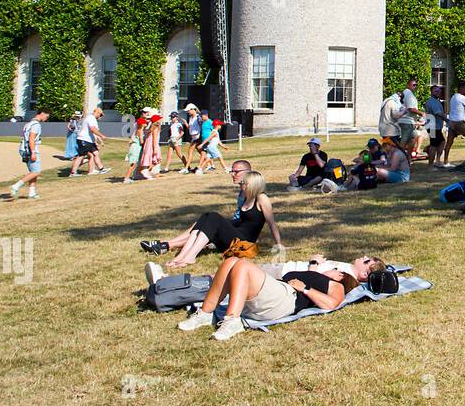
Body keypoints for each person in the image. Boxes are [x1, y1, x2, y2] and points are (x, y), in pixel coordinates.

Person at [178, 253, 377, 340]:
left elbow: (332, 303)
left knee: (242, 265)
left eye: (334, 269)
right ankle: (205, 313)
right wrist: (313, 269)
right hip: (275, 294)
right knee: (231, 261)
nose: (332, 269)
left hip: (284, 300)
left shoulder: (336, 284)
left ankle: (232, 320)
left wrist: (305, 289)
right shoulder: (317, 275)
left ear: (341, 275)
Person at [144, 167, 285, 268]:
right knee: (206, 216)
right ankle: (182, 256)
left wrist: (279, 244)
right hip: (234, 237)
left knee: (213, 216)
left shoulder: (262, 198)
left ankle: (190, 257)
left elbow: (272, 224)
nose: (241, 185)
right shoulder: (245, 198)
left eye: (244, 183)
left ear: (253, 184)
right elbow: (239, 222)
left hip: (244, 242)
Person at [9, 108, 50, 199]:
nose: (46, 119)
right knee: (36, 172)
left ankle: (32, 193)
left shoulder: (29, 124)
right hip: (30, 149)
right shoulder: (36, 125)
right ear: (42, 114)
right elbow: (31, 139)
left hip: (24, 148)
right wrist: (33, 152)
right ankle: (16, 186)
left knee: (33, 171)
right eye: (46, 117)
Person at [68, 106, 110, 176]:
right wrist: (101, 136)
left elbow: (93, 131)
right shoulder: (91, 118)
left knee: (95, 153)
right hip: (84, 139)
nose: (100, 117)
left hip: (89, 140)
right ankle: (73, 172)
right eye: (100, 115)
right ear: (97, 112)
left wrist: (98, 139)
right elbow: (92, 129)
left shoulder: (91, 118)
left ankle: (101, 169)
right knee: (81, 156)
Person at [443, 80, 465, 167]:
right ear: (462, 88)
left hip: (452, 122)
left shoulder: (453, 97)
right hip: (459, 122)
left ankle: (445, 161)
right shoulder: (462, 97)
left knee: (449, 142)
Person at [424, 84, 448, 170]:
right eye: (436, 91)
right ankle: (430, 165)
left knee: (442, 142)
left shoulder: (436, 101)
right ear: (431, 92)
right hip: (432, 127)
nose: (438, 92)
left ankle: (437, 161)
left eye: (439, 91)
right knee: (434, 146)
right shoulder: (432, 102)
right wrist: (447, 120)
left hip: (436, 127)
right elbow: (438, 113)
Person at [401, 77, 423, 158]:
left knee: (412, 138)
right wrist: (422, 113)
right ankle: (405, 158)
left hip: (408, 121)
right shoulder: (408, 94)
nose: (415, 86)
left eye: (416, 85)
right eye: (413, 85)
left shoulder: (407, 93)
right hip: (407, 121)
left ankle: (407, 157)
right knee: (406, 141)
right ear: (408, 85)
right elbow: (411, 109)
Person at [182, 103, 204, 173]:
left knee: (190, 151)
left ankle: (186, 168)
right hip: (193, 137)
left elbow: (201, 127)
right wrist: (186, 124)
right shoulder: (191, 118)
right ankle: (209, 163)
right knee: (202, 152)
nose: (188, 112)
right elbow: (190, 128)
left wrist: (200, 136)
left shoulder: (198, 117)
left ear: (192, 110)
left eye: (188, 110)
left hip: (197, 137)